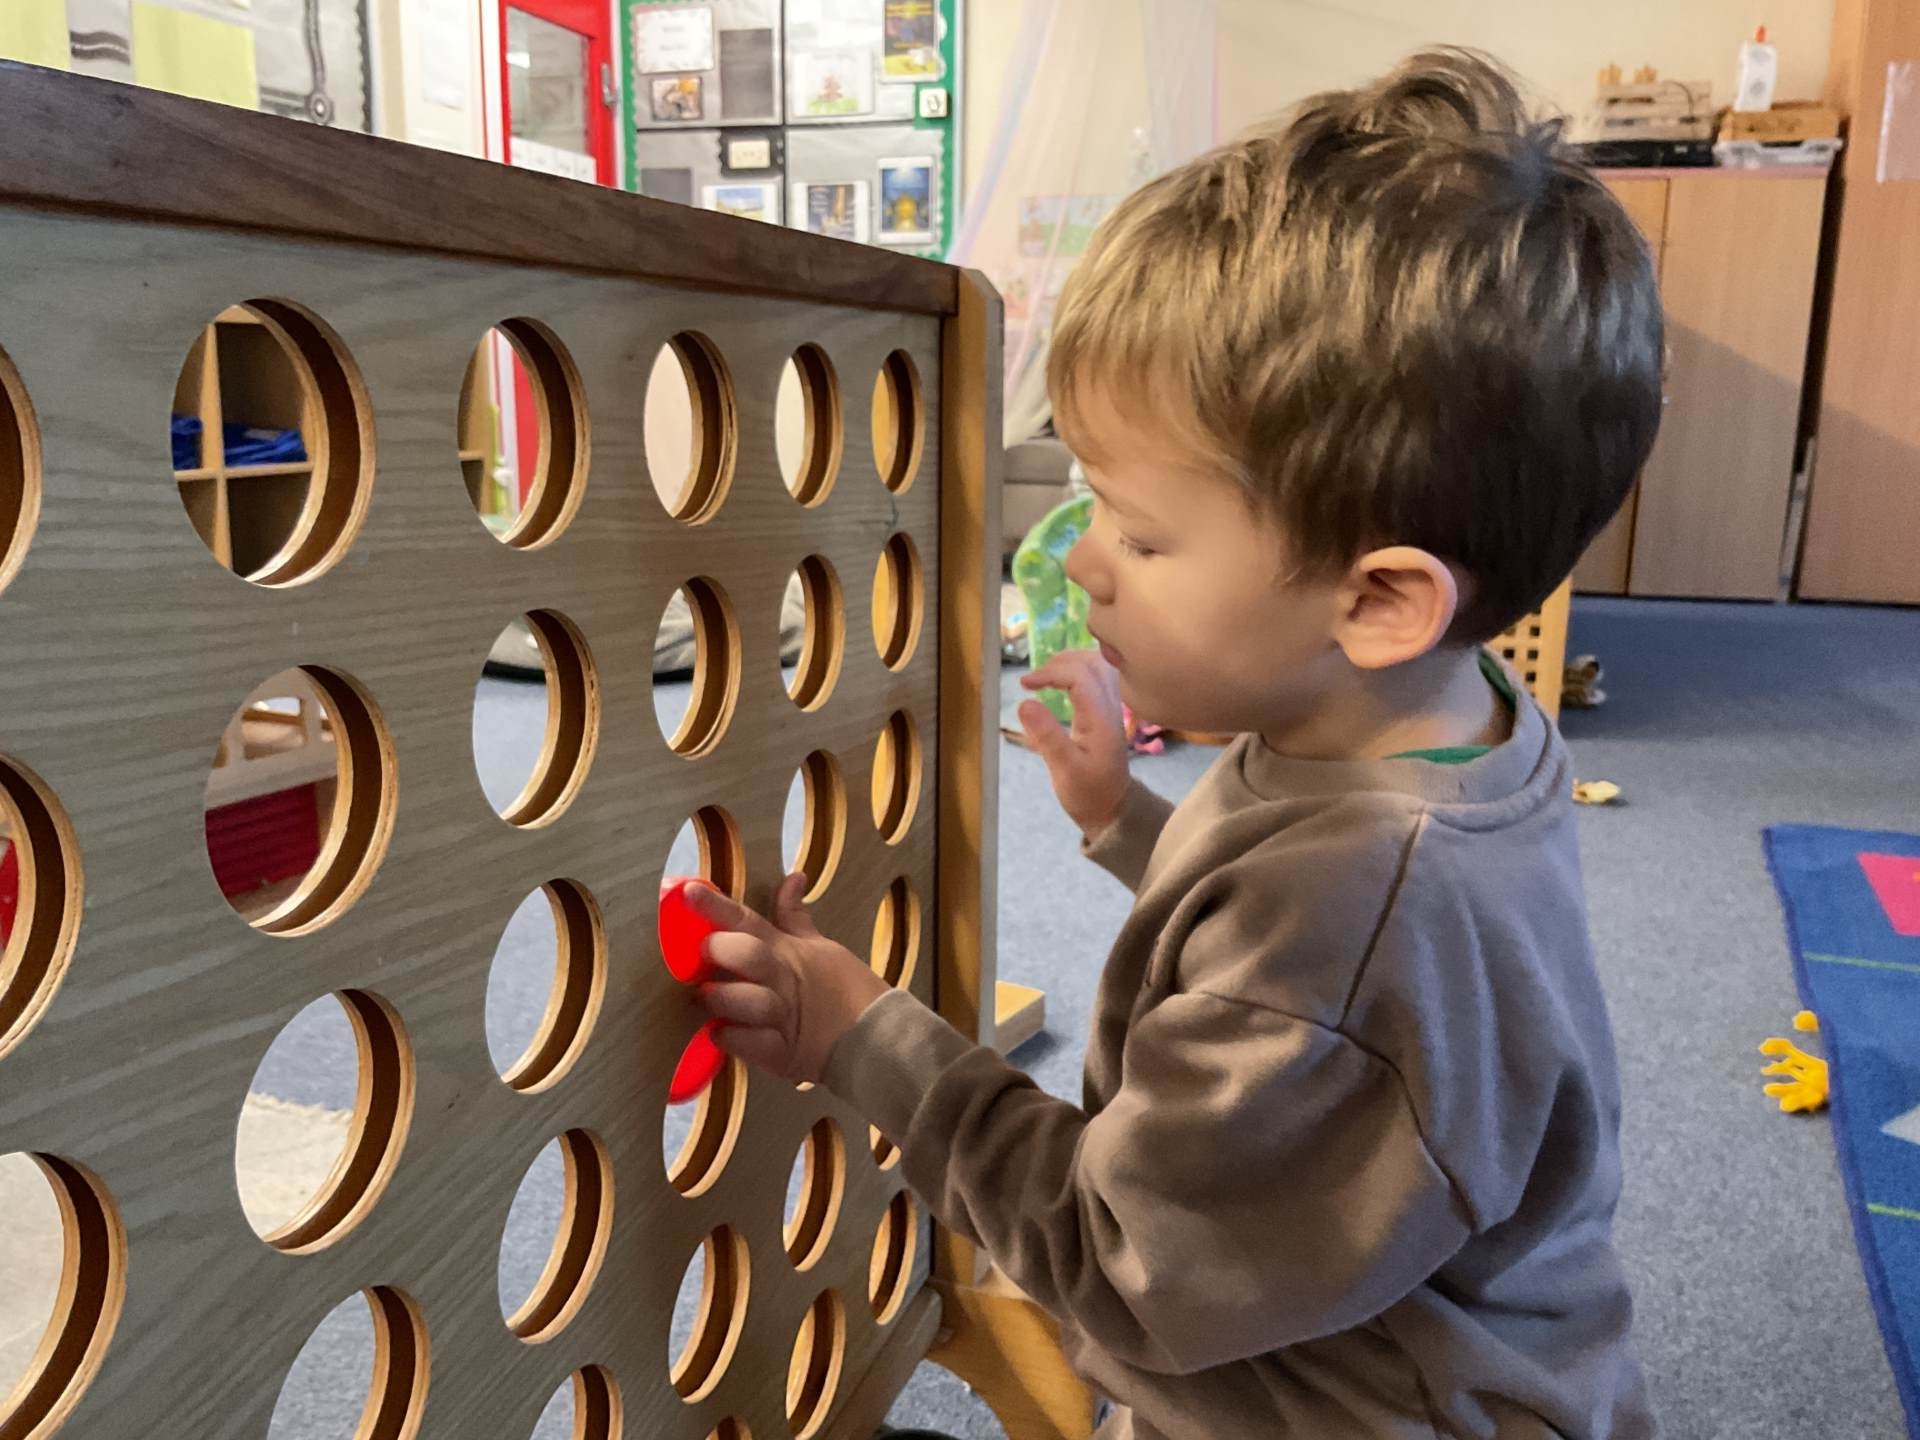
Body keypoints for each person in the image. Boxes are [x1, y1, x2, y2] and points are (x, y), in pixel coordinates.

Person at [691, 46, 1663, 1438]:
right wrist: (1126, 821)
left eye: (1143, 535)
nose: (1083, 562)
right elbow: (1278, 938)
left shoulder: (1355, 912)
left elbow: (1127, 1264)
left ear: (1378, 601)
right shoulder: (1439, 730)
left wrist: (868, 1038)